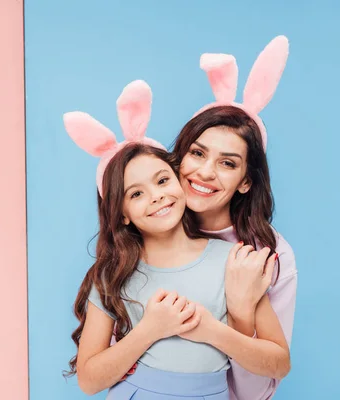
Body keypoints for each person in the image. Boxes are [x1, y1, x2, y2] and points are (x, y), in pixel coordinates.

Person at [62, 80, 286, 399]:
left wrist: (211, 330)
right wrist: (151, 329)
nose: (156, 197)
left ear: (179, 179)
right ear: (122, 213)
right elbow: (88, 381)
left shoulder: (232, 261)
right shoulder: (112, 275)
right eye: (136, 193)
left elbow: (279, 363)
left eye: (162, 180)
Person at [170, 35, 297, 400]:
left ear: (245, 182)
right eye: (197, 153)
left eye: (227, 163)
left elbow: (255, 393)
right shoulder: (148, 229)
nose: (205, 172)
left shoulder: (270, 257)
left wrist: (241, 312)